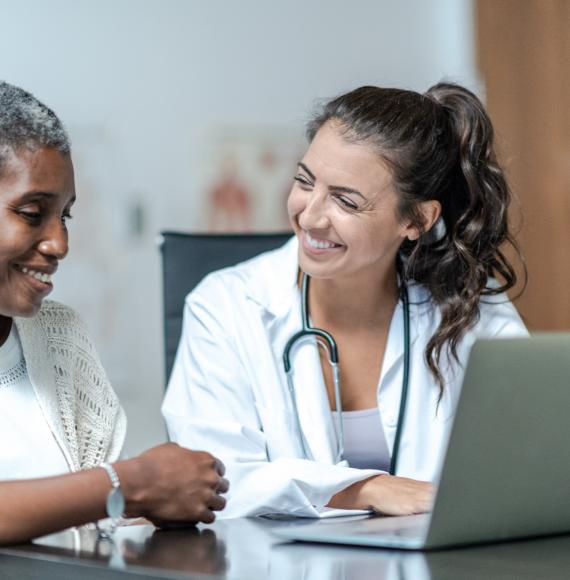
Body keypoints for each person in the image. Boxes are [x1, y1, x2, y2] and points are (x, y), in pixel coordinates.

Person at [163, 82, 528, 518]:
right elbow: (209, 480)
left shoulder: (469, 309)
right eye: (304, 181)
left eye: (345, 200)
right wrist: (367, 488)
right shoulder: (227, 306)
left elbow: (528, 462)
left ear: (416, 219)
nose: (311, 216)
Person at [0, 80, 228, 545]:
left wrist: (157, 502)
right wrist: (134, 482)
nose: (59, 244)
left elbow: (97, 525)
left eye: (65, 215)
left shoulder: (60, 337)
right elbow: (113, 488)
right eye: (31, 212)